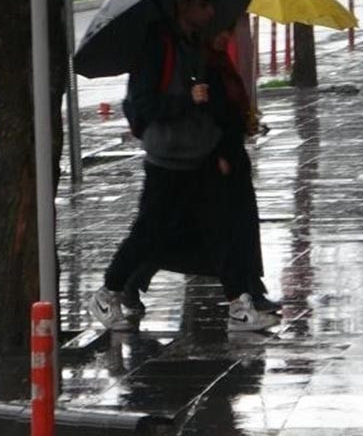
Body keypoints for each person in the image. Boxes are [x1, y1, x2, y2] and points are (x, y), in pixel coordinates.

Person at [89, 0, 280, 333]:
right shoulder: (157, 46)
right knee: (149, 232)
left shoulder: (193, 43)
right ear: (182, 4)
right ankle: (108, 291)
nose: (210, 14)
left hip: (200, 153)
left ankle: (239, 305)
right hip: (168, 158)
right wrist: (186, 100)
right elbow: (144, 104)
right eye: (203, 5)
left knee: (223, 227)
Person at [119, 27, 278, 321]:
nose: (226, 35)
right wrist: (221, 153)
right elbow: (207, 113)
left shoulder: (218, 61)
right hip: (211, 158)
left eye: (229, 29)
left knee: (231, 228)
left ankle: (248, 289)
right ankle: (132, 278)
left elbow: (229, 105)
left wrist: (246, 122)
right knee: (202, 229)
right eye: (221, 29)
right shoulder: (200, 64)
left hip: (228, 154)